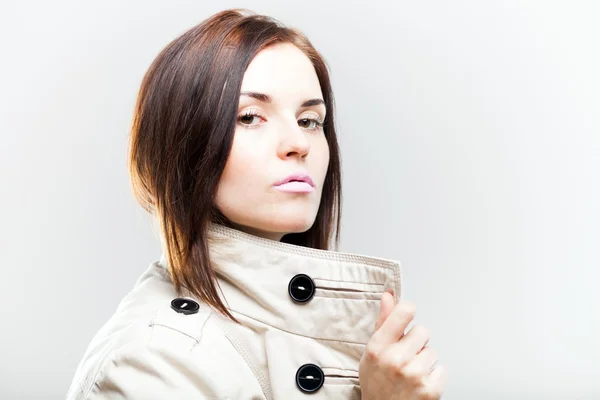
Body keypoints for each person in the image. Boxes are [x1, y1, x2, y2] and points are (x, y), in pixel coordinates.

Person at [66, 8, 447, 400]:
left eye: (310, 120)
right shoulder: (153, 363)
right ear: (183, 143)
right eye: (250, 117)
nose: (298, 144)